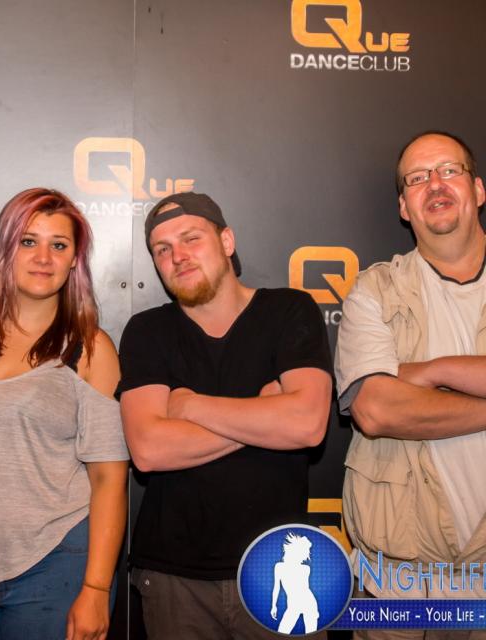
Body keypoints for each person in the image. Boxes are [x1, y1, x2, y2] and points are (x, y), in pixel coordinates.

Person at [0, 188, 129, 640]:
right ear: (4, 249)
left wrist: (96, 588)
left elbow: (109, 478)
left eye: (59, 245)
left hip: (57, 566)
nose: (43, 257)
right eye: (28, 241)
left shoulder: (89, 348)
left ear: (74, 260)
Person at [117, 192, 332, 639]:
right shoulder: (148, 331)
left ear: (227, 241)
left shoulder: (289, 310)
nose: (178, 256)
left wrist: (190, 406)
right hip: (175, 578)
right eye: (162, 249)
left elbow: (307, 425)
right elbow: (150, 450)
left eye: (191, 238)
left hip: (278, 564)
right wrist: (264, 411)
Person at [335, 131, 486, 639]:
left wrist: (430, 371)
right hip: (397, 578)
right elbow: (376, 410)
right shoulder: (374, 290)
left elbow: (396, 398)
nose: (435, 185)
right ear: (404, 206)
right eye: (417, 178)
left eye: (449, 170)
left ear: (478, 189)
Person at [271, 533, 319, 634]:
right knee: (282, 633)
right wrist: (273, 605)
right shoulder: (279, 567)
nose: (307, 555)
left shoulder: (306, 569)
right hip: (293, 605)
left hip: (309, 603)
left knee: (311, 636)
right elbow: (276, 588)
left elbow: (304, 589)